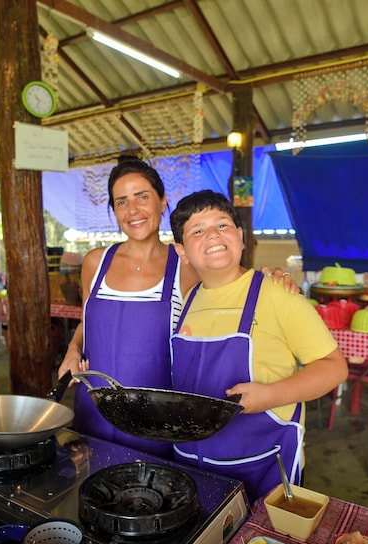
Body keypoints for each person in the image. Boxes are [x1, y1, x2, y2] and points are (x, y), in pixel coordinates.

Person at [57, 156, 298, 457]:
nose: (133, 210)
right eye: (121, 202)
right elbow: (86, 322)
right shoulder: (95, 262)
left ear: (162, 201)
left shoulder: (184, 264)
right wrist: (72, 350)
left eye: (142, 197)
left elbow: (234, 287)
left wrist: (272, 277)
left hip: (156, 422)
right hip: (92, 411)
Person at [169, 189, 347, 501]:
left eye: (222, 225)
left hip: (264, 466)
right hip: (191, 466)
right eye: (197, 230)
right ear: (181, 250)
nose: (212, 234)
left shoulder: (278, 294)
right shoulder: (187, 298)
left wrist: (270, 396)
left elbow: (334, 368)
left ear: (240, 237)